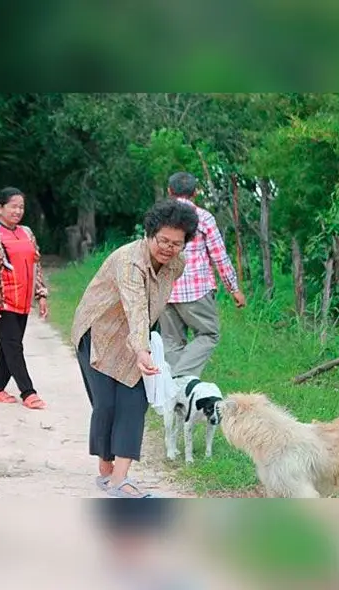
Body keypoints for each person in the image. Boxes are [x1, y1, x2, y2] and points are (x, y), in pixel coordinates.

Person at [71, 199, 199, 498]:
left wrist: (143, 347)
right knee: (106, 405)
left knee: (134, 402)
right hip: (98, 332)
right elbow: (136, 305)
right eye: (163, 241)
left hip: (136, 335)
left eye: (176, 243)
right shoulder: (129, 261)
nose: (168, 248)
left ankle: (120, 479)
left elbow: (151, 303)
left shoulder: (176, 264)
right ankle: (105, 471)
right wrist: (142, 350)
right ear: (149, 234)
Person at [159, 171, 246, 379]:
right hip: (196, 290)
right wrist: (233, 288)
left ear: (170, 191)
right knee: (208, 333)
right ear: (195, 192)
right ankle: (180, 378)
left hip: (164, 289)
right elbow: (219, 256)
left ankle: (175, 397)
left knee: (171, 342)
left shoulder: (160, 217)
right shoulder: (204, 218)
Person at [0, 187, 48, 410]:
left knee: (8, 346)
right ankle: (28, 392)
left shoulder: (26, 232)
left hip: (23, 302)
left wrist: (41, 295)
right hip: (3, 302)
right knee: (14, 346)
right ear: (0, 207)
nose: (18, 211)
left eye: (21, 207)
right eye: (13, 206)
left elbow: (36, 265)